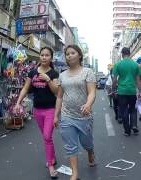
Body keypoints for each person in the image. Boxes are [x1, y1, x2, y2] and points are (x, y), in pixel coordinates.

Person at [15, 47, 59, 179]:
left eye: (47, 55)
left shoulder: (54, 73)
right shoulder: (32, 72)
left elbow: (57, 92)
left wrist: (48, 79)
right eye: (42, 55)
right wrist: (18, 102)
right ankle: (52, 157)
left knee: (46, 136)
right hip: (37, 110)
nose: (44, 57)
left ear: (51, 58)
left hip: (50, 109)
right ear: (39, 56)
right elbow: (25, 88)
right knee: (47, 138)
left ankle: (51, 165)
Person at [54, 45, 96, 180]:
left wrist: (88, 104)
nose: (70, 55)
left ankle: (90, 151)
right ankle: (75, 173)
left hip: (84, 116)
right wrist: (56, 115)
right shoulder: (62, 75)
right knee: (70, 146)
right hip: (67, 116)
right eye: (67, 54)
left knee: (86, 142)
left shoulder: (88, 72)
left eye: (73, 53)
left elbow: (92, 92)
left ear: (79, 55)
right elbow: (60, 97)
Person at [112, 47, 141, 136]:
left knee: (124, 110)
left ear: (122, 54)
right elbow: (138, 80)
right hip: (132, 91)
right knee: (132, 109)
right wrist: (139, 91)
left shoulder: (118, 64)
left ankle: (127, 131)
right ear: (129, 53)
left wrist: (114, 90)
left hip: (122, 91)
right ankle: (134, 125)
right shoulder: (135, 65)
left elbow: (114, 80)